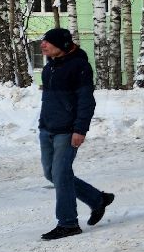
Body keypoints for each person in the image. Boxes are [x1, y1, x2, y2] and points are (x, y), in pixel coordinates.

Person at [38, 27, 114, 240]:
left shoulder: (79, 67)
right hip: (47, 128)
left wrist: (80, 130)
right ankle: (97, 199)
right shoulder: (50, 67)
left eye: (48, 42)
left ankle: (68, 223)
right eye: (43, 41)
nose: (43, 45)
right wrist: (43, 123)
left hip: (67, 131)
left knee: (61, 175)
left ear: (61, 46)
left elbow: (86, 101)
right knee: (51, 174)